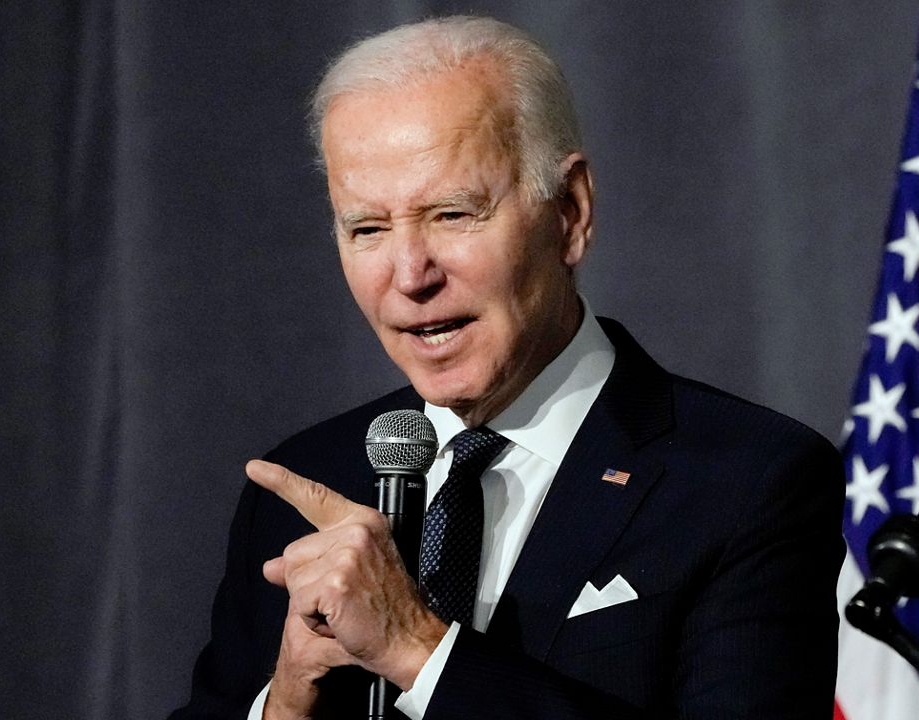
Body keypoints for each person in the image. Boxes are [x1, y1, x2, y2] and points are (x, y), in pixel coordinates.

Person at [172, 15, 844, 720]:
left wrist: (416, 649)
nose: (409, 275)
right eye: (367, 228)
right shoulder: (304, 487)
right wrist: (285, 703)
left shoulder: (745, 481)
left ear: (570, 213)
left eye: (453, 214)